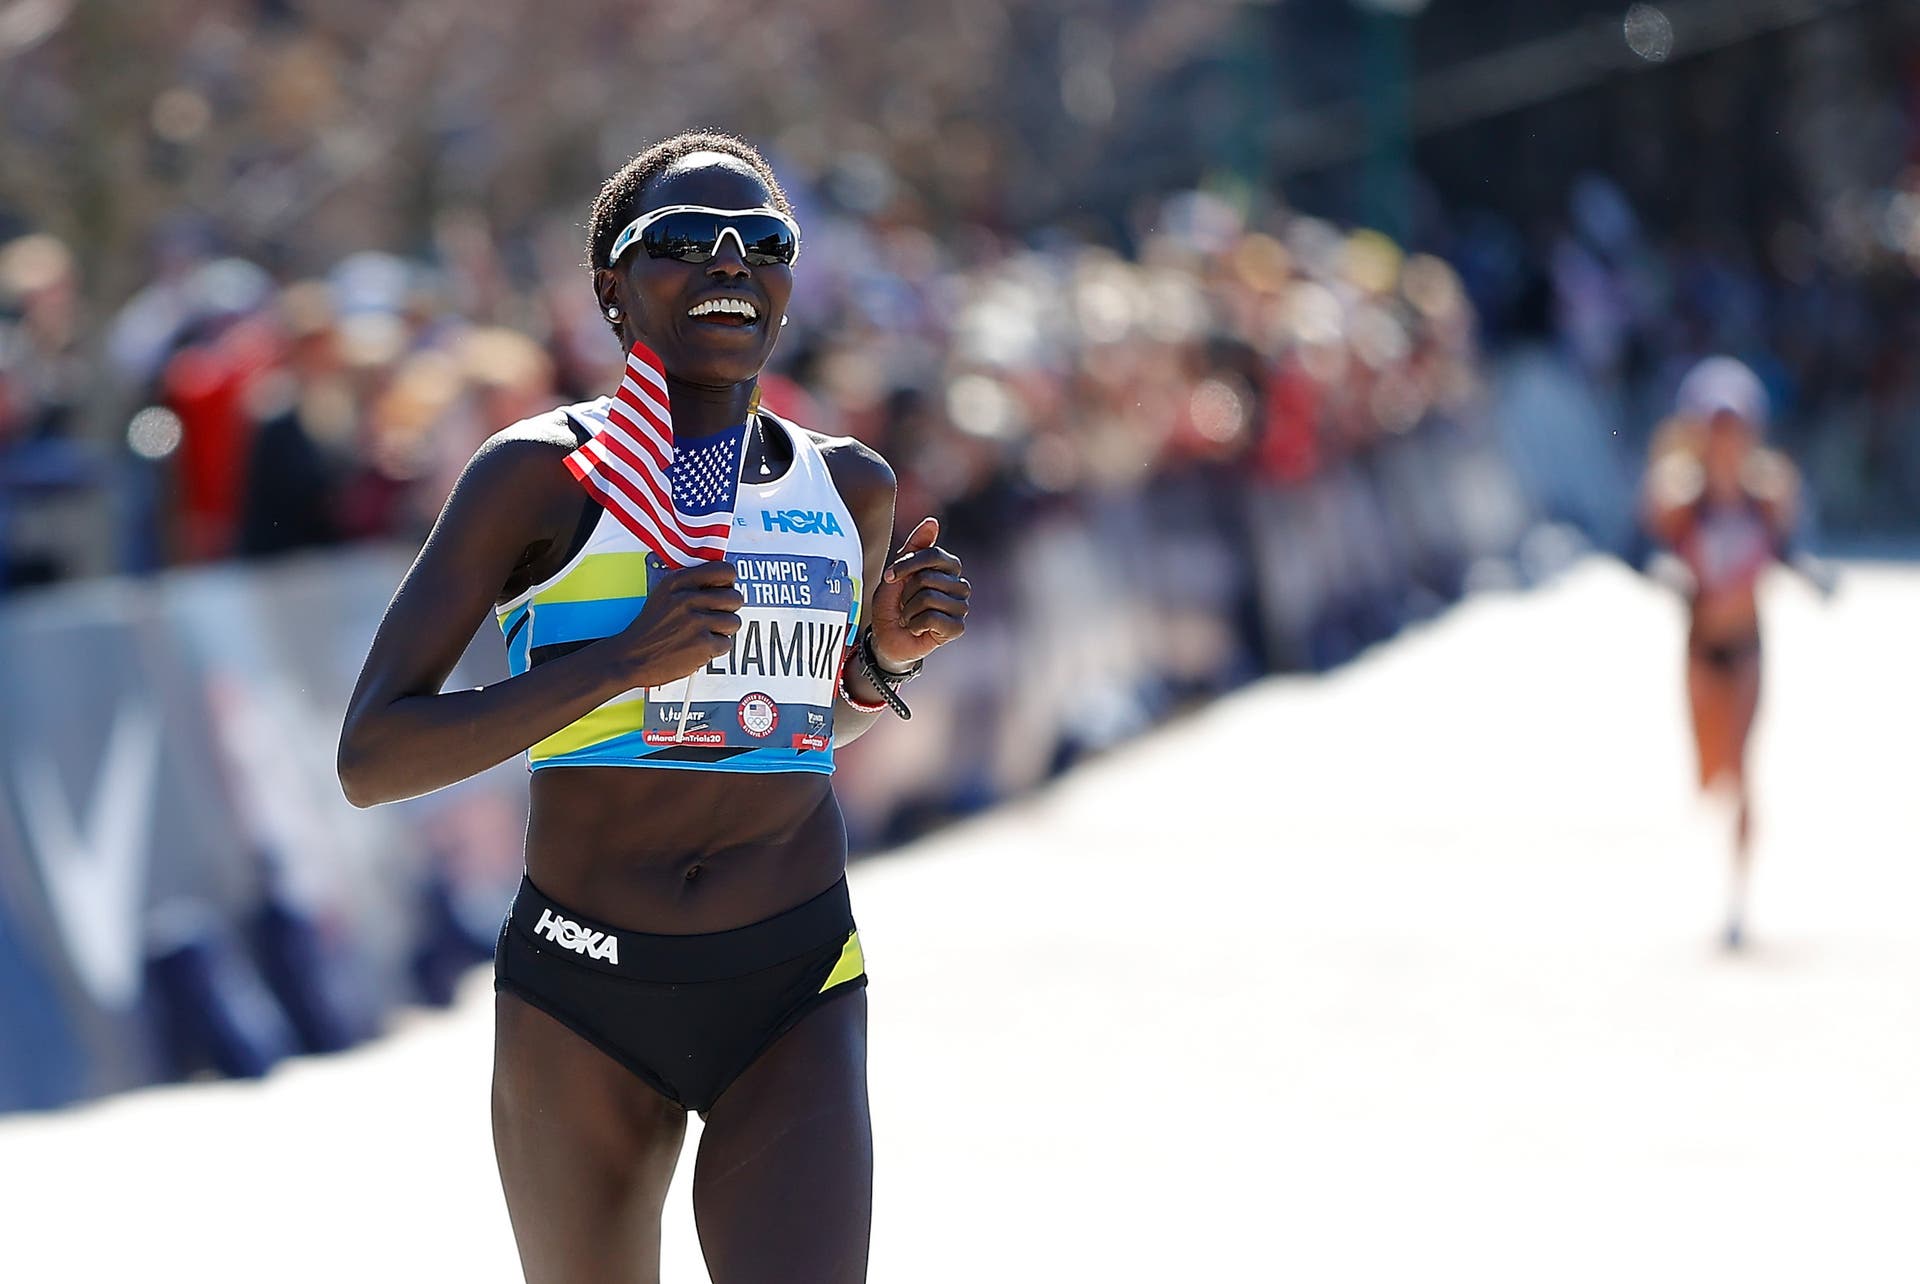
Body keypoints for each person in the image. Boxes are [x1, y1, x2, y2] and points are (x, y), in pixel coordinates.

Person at [336, 131, 970, 1283]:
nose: (730, 262)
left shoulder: (851, 486)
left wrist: (882, 660)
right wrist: (621, 662)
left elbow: (802, 728)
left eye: (763, 243)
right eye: (684, 241)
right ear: (612, 290)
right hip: (584, 992)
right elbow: (373, 757)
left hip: (792, 978)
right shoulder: (539, 474)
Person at [1640, 356, 1806, 950]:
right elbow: (1645, 545)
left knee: (1743, 768)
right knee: (1711, 774)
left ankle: (1738, 899)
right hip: (1700, 647)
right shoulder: (1680, 496)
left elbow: (1788, 547)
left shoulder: (1768, 495)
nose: (1726, 438)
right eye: (1716, 426)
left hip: (1748, 646)